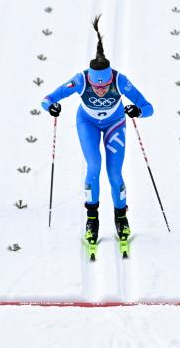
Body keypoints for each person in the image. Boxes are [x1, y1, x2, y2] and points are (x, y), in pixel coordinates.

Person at [41, 15, 154, 247]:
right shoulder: (81, 80)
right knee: (94, 166)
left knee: (115, 174)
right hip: (88, 124)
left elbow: (148, 107)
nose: (101, 90)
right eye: (97, 86)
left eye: (104, 86)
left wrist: (137, 111)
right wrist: (51, 106)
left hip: (115, 124)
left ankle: (121, 218)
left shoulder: (120, 80)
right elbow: (47, 98)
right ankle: (92, 219)